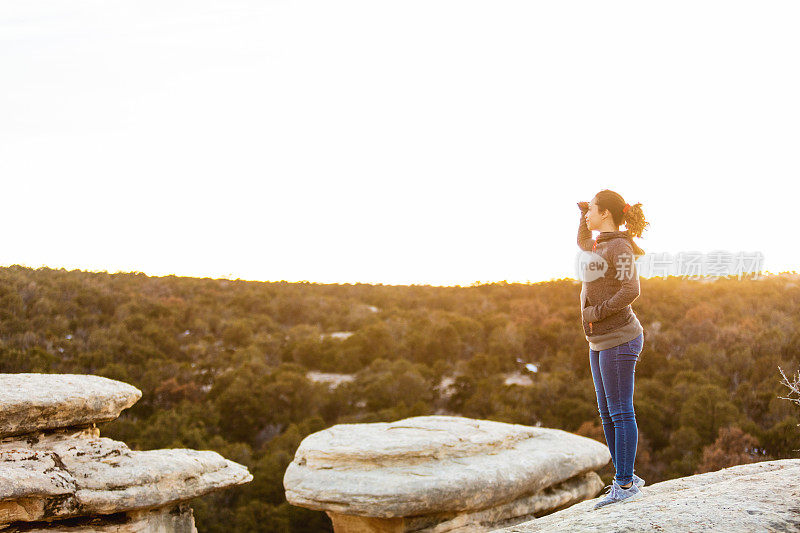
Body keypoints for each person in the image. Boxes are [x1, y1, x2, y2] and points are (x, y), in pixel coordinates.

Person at [577, 189, 650, 510]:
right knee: (606, 412)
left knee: (621, 411)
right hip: (599, 340)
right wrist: (580, 216)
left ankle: (625, 482)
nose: (588, 214)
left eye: (591, 209)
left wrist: (599, 311)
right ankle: (625, 477)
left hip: (620, 337)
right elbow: (582, 242)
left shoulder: (618, 246)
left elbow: (631, 288)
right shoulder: (600, 243)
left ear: (605, 213)